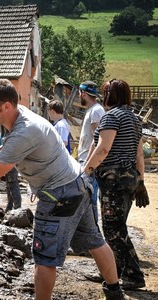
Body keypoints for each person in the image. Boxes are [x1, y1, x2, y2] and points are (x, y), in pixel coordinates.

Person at [0, 78, 125, 299]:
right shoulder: (14, 116)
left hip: (59, 195)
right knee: (95, 242)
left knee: (44, 257)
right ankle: (115, 291)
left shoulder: (23, 132)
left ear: (6, 106)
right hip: (77, 184)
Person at [83, 79, 149, 291]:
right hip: (128, 179)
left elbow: (102, 149)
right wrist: (140, 181)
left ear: (110, 94)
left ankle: (133, 275)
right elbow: (139, 154)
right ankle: (113, 271)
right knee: (117, 226)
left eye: (105, 92)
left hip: (114, 179)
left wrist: (85, 173)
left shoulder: (111, 117)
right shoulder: (134, 119)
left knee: (112, 228)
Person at [77, 80, 105, 222]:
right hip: (86, 160)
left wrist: (88, 164)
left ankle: (94, 235)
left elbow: (97, 139)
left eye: (79, 92)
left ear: (83, 93)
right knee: (87, 199)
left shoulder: (96, 111)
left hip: (89, 162)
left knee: (90, 199)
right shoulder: (92, 110)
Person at [0, 131, 21, 211]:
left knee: (9, 185)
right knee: (13, 184)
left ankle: (15, 207)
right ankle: (14, 206)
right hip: (12, 163)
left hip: (2, 163)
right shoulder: (12, 136)